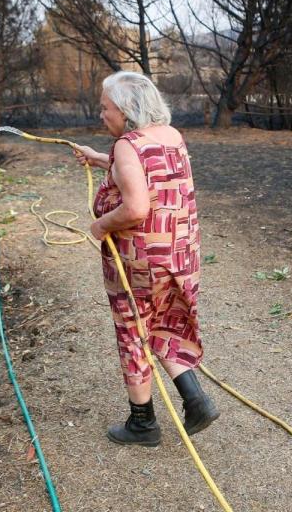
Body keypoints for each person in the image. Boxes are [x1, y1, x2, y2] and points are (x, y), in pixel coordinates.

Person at [73, 71, 219, 447]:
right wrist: (98, 158)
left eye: (105, 107)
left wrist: (101, 225)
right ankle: (196, 400)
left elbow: (136, 207)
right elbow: (147, 170)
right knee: (165, 321)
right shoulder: (170, 135)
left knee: (133, 332)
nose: (101, 113)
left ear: (125, 109)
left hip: (140, 260)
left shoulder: (127, 144)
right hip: (180, 253)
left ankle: (143, 424)